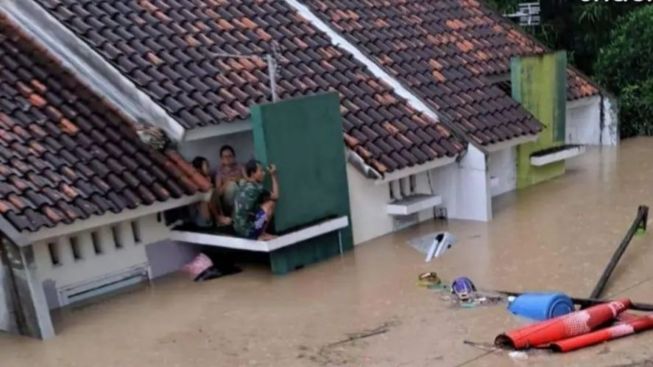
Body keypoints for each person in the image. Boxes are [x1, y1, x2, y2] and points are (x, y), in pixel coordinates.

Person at [232, 159, 279, 240]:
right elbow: (276, 196)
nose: (264, 173)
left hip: (237, 229)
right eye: (261, 171)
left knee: (261, 205)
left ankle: (258, 231)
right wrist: (273, 175)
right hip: (248, 231)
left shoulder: (244, 184)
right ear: (253, 174)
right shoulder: (257, 188)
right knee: (270, 204)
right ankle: (261, 234)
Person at [189, 157, 231, 228]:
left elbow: (216, 195)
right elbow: (206, 198)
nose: (209, 168)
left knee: (213, 191)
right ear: (199, 169)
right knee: (208, 195)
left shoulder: (207, 178)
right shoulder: (194, 181)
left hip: (209, 216)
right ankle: (218, 218)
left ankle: (221, 216)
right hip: (200, 219)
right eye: (207, 166)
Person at [214, 145, 245, 216]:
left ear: (234, 157)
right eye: (225, 157)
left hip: (242, 200)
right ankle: (235, 213)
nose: (227, 159)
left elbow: (248, 182)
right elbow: (218, 193)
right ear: (221, 159)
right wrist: (227, 182)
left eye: (230, 156)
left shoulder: (240, 167)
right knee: (232, 185)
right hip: (229, 205)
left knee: (243, 182)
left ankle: (240, 211)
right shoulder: (219, 171)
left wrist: (238, 179)